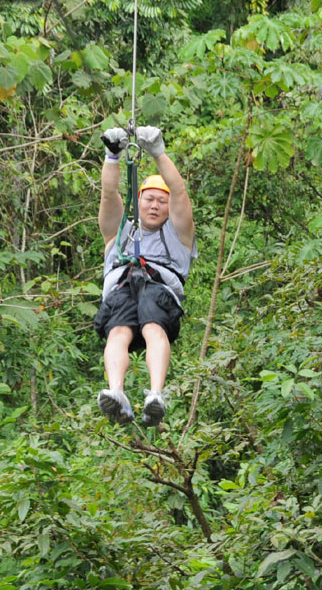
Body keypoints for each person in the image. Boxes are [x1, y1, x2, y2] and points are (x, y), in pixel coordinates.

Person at [93, 125, 196, 426]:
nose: (154, 205)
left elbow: (179, 192)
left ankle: (156, 394)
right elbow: (108, 195)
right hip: (122, 287)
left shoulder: (178, 233)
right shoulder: (119, 231)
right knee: (118, 332)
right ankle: (116, 392)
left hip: (158, 288)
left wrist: (158, 153)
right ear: (137, 201)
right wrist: (112, 156)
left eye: (161, 201)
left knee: (152, 325)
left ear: (168, 208)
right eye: (149, 199)